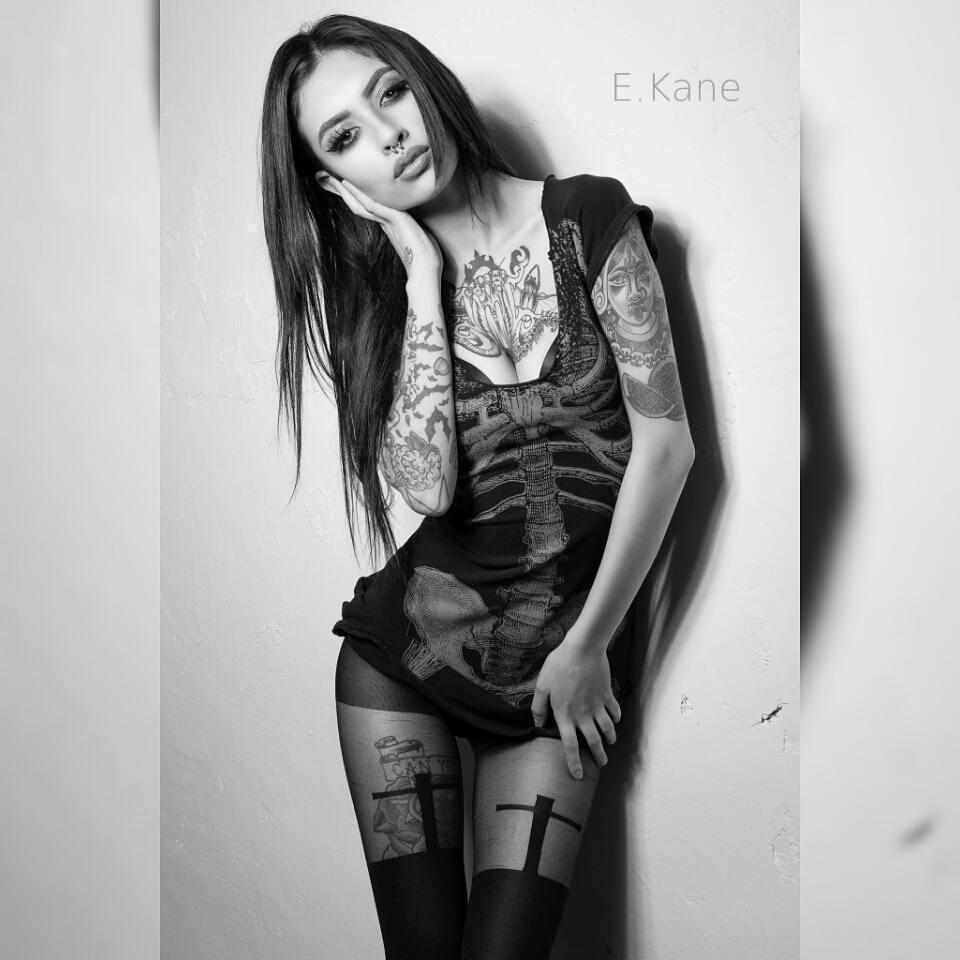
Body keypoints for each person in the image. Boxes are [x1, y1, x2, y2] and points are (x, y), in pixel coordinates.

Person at [259, 13, 695, 960]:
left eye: (390, 92)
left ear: (425, 81)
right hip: (403, 666)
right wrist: (419, 275)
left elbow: (667, 448)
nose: (390, 135)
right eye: (345, 136)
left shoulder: (586, 218)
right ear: (335, 183)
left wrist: (589, 646)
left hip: (560, 674)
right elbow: (427, 487)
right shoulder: (383, 303)